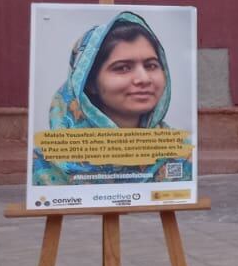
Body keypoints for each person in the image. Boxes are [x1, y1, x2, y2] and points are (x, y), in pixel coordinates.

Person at [32, 11, 192, 185]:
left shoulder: (179, 151)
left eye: (151, 65)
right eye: (122, 68)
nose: (144, 79)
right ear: (89, 82)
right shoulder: (48, 161)